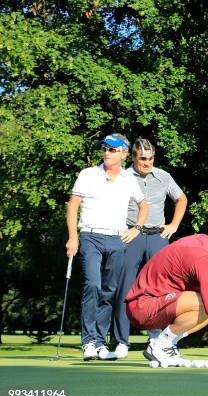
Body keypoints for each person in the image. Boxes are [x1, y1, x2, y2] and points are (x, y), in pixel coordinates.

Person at [124, 218, 208, 366]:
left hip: (149, 303)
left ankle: (166, 346)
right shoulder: (205, 258)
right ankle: (160, 346)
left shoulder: (201, 242)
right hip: (142, 307)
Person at [65, 133, 148, 361]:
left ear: (123, 153)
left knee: (109, 292)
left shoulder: (129, 179)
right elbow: (73, 206)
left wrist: (136, 229)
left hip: (116, 240)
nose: (106, 153)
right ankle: (88, 342)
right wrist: (73, 237)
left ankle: (101, 344)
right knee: (92, 285)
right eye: (104, 148)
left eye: (112, 149)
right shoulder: (88, 174)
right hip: (90, 236)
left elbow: (143, 206)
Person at [112, 138, 188, 358]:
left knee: (163, 291)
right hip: (130, 236)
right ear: (134, 157)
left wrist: (173, 225)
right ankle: (121, 342)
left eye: (151, 158)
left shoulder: (163, 176)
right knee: (125, 289)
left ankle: (157, 339)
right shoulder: (123, 177)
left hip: (158, 237)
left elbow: (181, 199)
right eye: (143, 158)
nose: (147, 163)